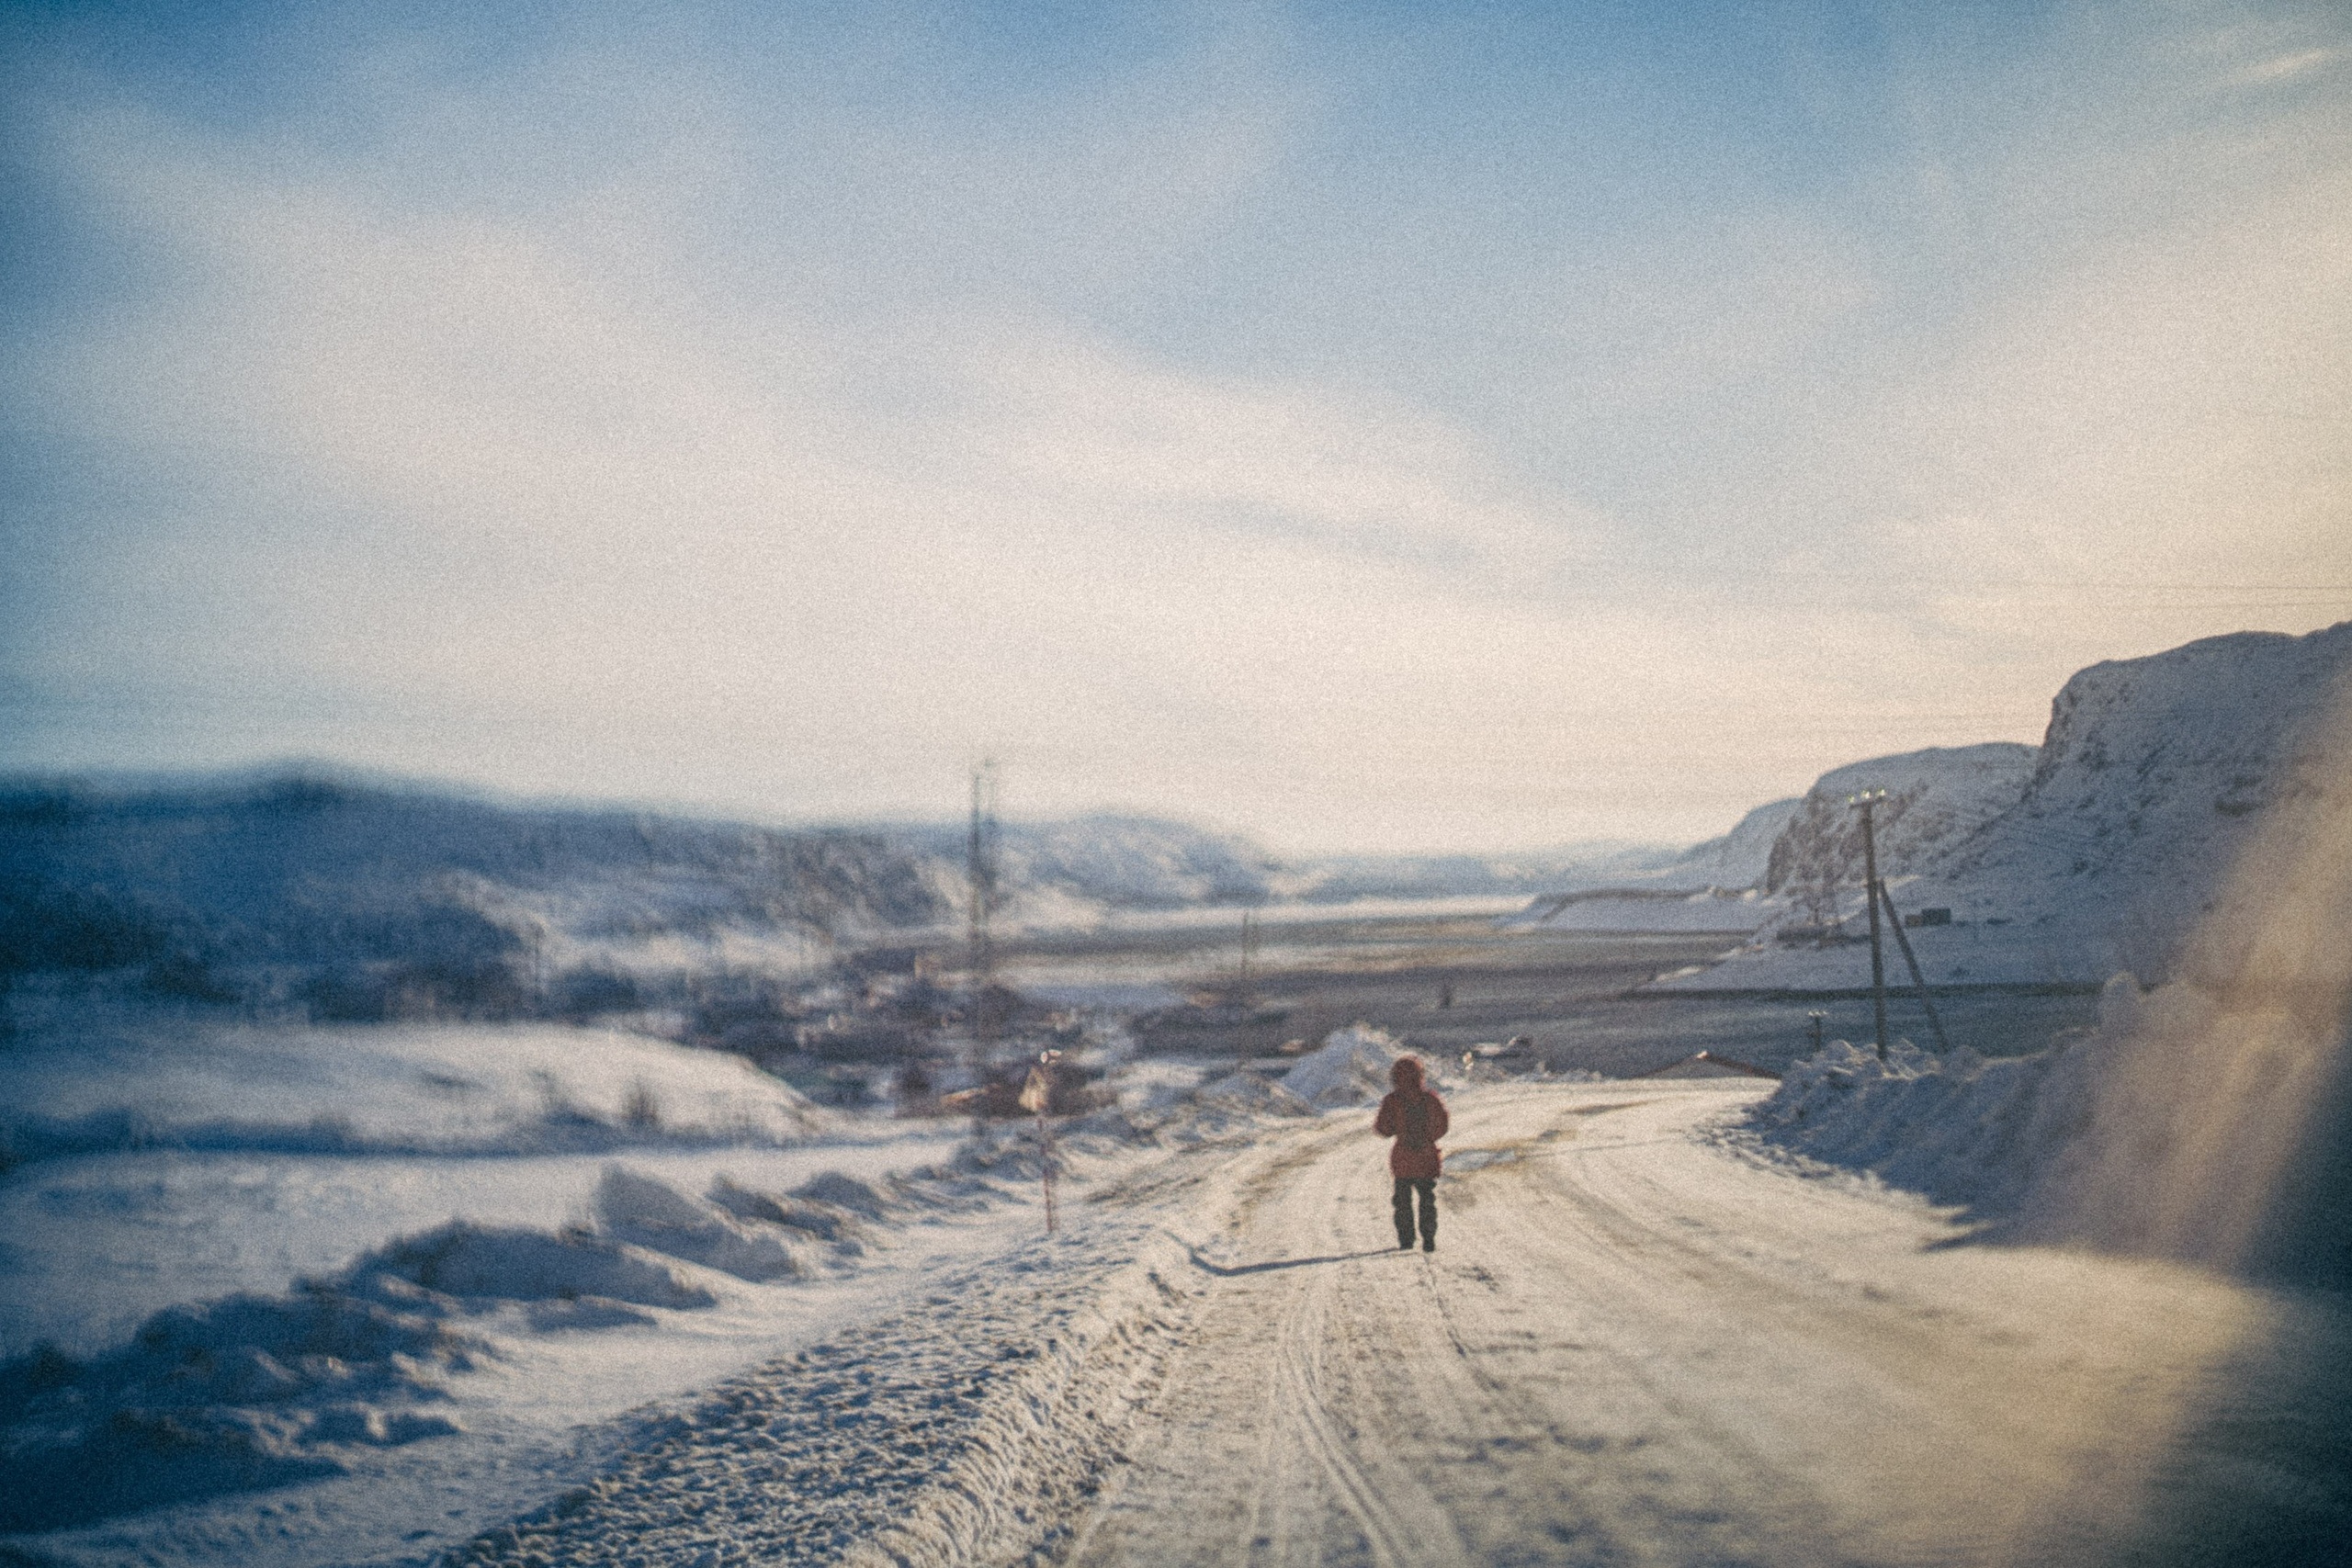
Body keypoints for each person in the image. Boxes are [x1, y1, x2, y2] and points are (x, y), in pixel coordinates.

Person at [1374, 1055, 1449, 1252]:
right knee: (1427, 1200)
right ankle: (1429, 1238)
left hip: (1403, 1159)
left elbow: (1383, 1128)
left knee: (1402, 1202)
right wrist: (1427, 1139)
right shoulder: (1430, 1099)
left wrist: (1398, 1131)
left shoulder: (1392, 1101)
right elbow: (1442, 1125)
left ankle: (1406, 1240)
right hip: (1426, 1158)